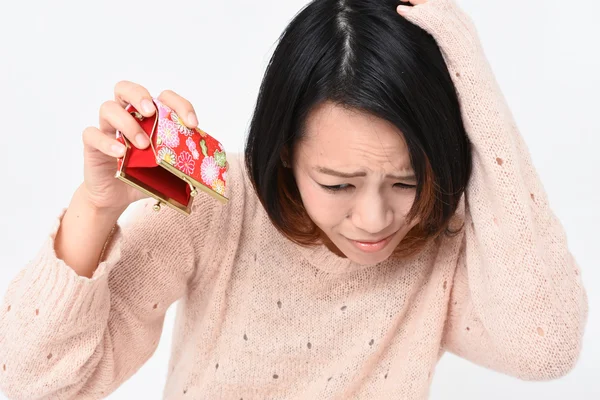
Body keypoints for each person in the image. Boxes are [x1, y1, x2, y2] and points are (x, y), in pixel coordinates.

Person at [0, 0, 589, 398]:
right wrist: (96, 206)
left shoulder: (441, 242)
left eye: (405, 181)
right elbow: (31, 381)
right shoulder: (218, 206)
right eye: (337, 184)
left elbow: (546, 348)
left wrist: (476, 88)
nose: (376, 219)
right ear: (283, 150)